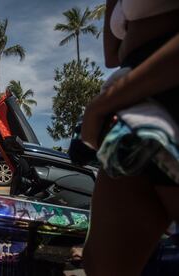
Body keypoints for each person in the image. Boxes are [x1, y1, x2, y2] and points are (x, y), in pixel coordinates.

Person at [80, 1, 179, 275]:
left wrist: (101, 106)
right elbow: (112, 55)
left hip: (165, 93)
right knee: (101, 264)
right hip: (136, 110)